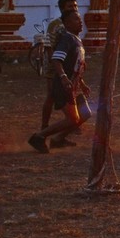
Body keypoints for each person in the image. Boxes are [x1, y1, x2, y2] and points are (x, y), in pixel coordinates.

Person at [28, 9, 91, 153]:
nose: (80, 22)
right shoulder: (67, 39)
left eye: (80, 19)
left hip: (74, 85)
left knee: (85, 113)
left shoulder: (77, 40)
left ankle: (58, 139)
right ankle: (39, 136)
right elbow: (56, 59)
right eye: (76, 19)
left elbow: (77, 66)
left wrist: (82, 84)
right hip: (64, 85)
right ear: (67, 24)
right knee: (72, 119)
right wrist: (63, 77)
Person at [40, 0, 78, 130]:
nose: (73, 8)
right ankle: (44, 127)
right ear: (62, 9)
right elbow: (49, 47)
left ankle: (70, 124)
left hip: (68, 65)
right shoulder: (54, 25)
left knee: (70, 93)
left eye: (75, 6)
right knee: (51, 95)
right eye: (70, 6)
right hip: (54, 65)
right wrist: (56, 66)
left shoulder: (74, 23)